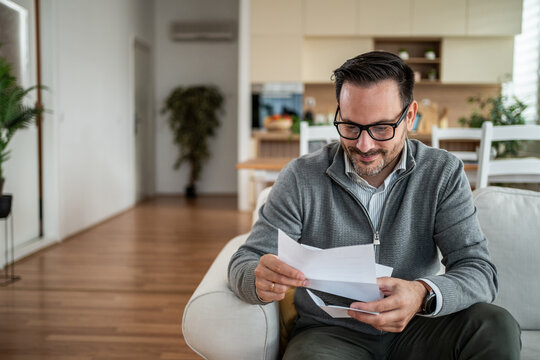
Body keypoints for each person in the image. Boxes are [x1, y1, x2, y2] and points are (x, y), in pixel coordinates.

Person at [228, 51, 521, 359]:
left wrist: (421, 293)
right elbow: (246, 259)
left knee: (496, 325)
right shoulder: (301, 177)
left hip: (419, 324)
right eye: (351, 126)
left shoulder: (442, 173)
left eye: (382, 128)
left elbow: (479, 270)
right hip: (330, 335)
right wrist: (256, 279)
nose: (364, 145)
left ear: (409, 116)